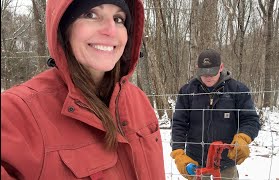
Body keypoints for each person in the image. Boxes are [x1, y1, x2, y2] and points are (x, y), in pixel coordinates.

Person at [1, 0, 165, 179]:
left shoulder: (139, 100)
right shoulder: (17, 113)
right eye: (91, 15)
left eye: (118, 19)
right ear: (64, 28)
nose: (110, 30)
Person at [170, 49, 260, 180]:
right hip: (196, 161)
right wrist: (178, 153)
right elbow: (179, 124)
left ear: (221, 67)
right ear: (197, 68)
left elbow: (250, 120)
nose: (208, 77)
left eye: (212, 72)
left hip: (226, 160)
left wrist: (243, 138)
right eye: (203, 73)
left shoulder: (238, 90)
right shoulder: (187, 91)